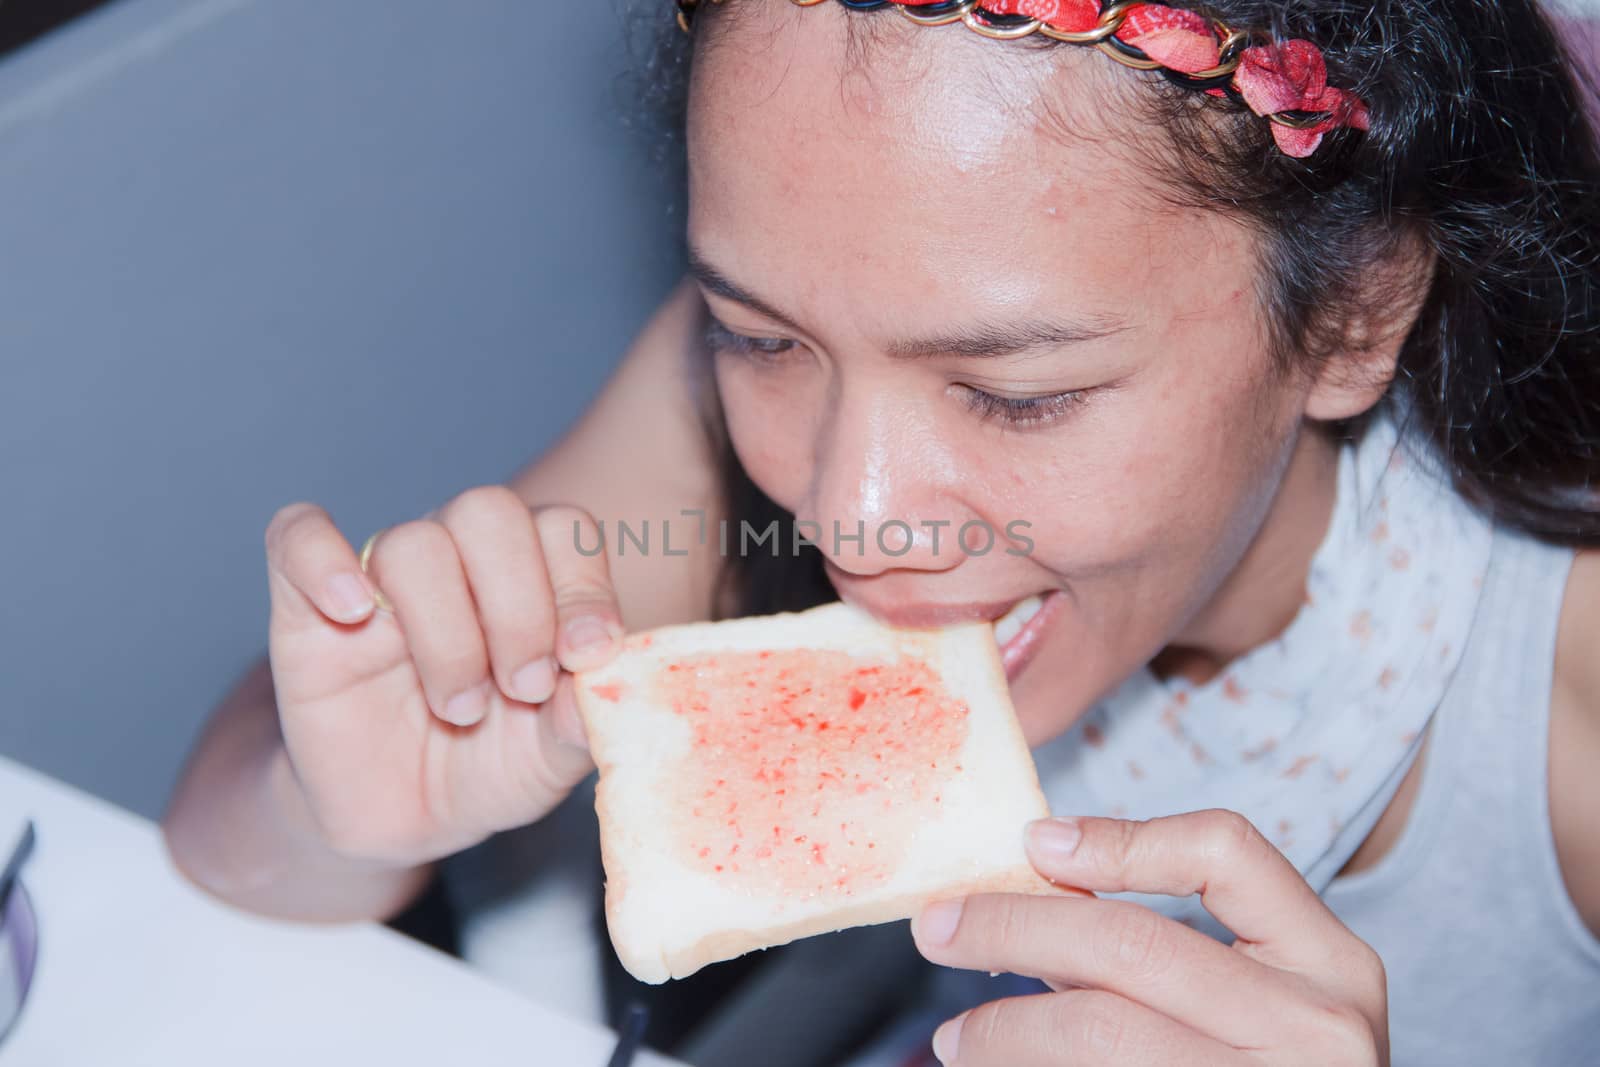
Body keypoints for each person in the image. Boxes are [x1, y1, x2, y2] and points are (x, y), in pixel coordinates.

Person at [162, 0, 1600, 1063]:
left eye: (1013, 393)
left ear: (1353, 317)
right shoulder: (812, 340)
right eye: (759, 337)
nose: (849, 517)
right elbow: (229, 848)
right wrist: (330, 807)